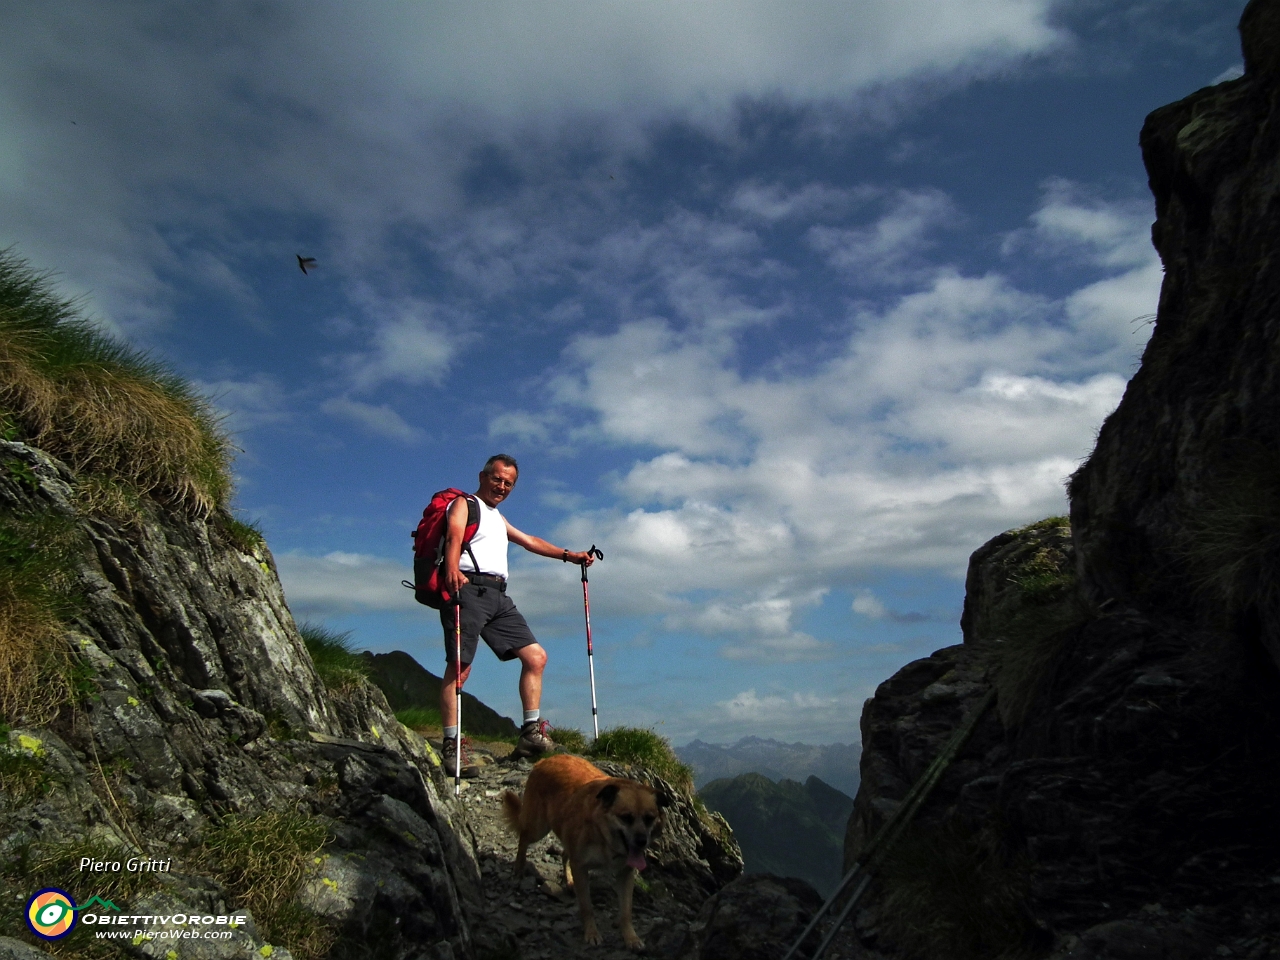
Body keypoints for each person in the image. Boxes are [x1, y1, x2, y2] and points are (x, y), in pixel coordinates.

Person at [439, 454, 595, 774]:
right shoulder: (464, 504)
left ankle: (530, 735)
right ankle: (451, 746)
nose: (502, 486)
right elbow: (454, 536)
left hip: (498, 596)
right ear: (482, 476)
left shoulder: (497, 518)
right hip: (466, 590)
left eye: (509, 483)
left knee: (536, 657)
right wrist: (452, 568)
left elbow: (530, 541)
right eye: (497, 479)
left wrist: (571, 556)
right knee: (460, 670)